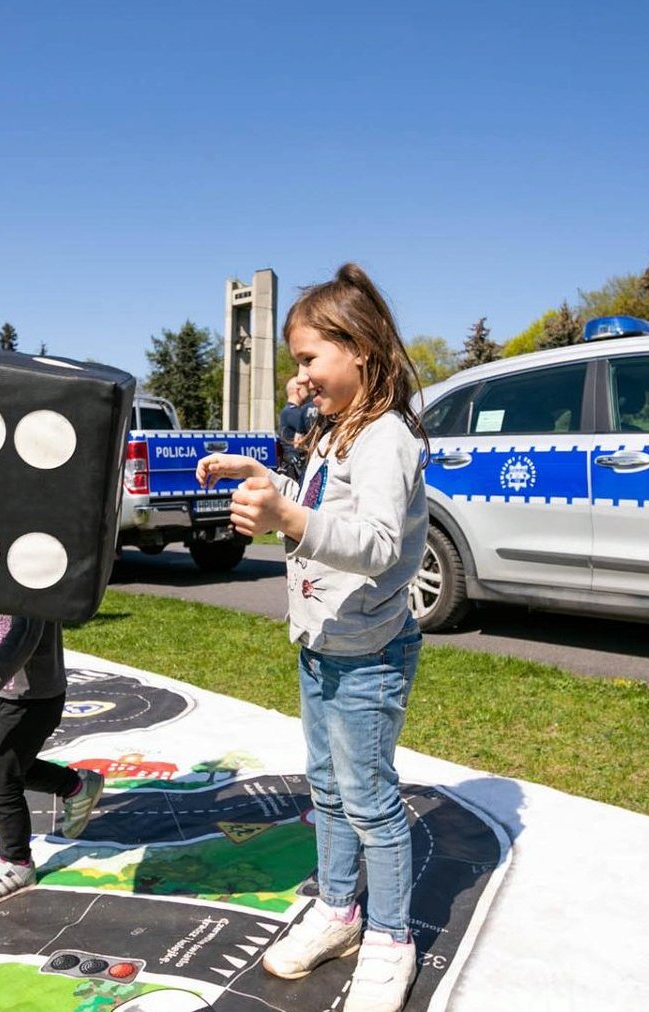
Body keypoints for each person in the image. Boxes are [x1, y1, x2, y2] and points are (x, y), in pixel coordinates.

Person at [195, 263, 428, 1012]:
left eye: (307, 360)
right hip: (323, 644)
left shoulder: (385, 437)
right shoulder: (336, 433)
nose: (300, 377)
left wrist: (284, 519)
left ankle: (391, 938)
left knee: (369, 799)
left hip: (369, 654)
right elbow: (317, 505)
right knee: (326, 791)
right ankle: (338, 910)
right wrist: (263, 476)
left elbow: (380, 543)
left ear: (358, 348)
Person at [0, 610, 106, 906]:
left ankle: (17, 862)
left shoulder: (29, 575)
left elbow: (25, 635)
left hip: (34, 701)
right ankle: (75, 786)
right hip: (9, 696)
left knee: (0, 783)